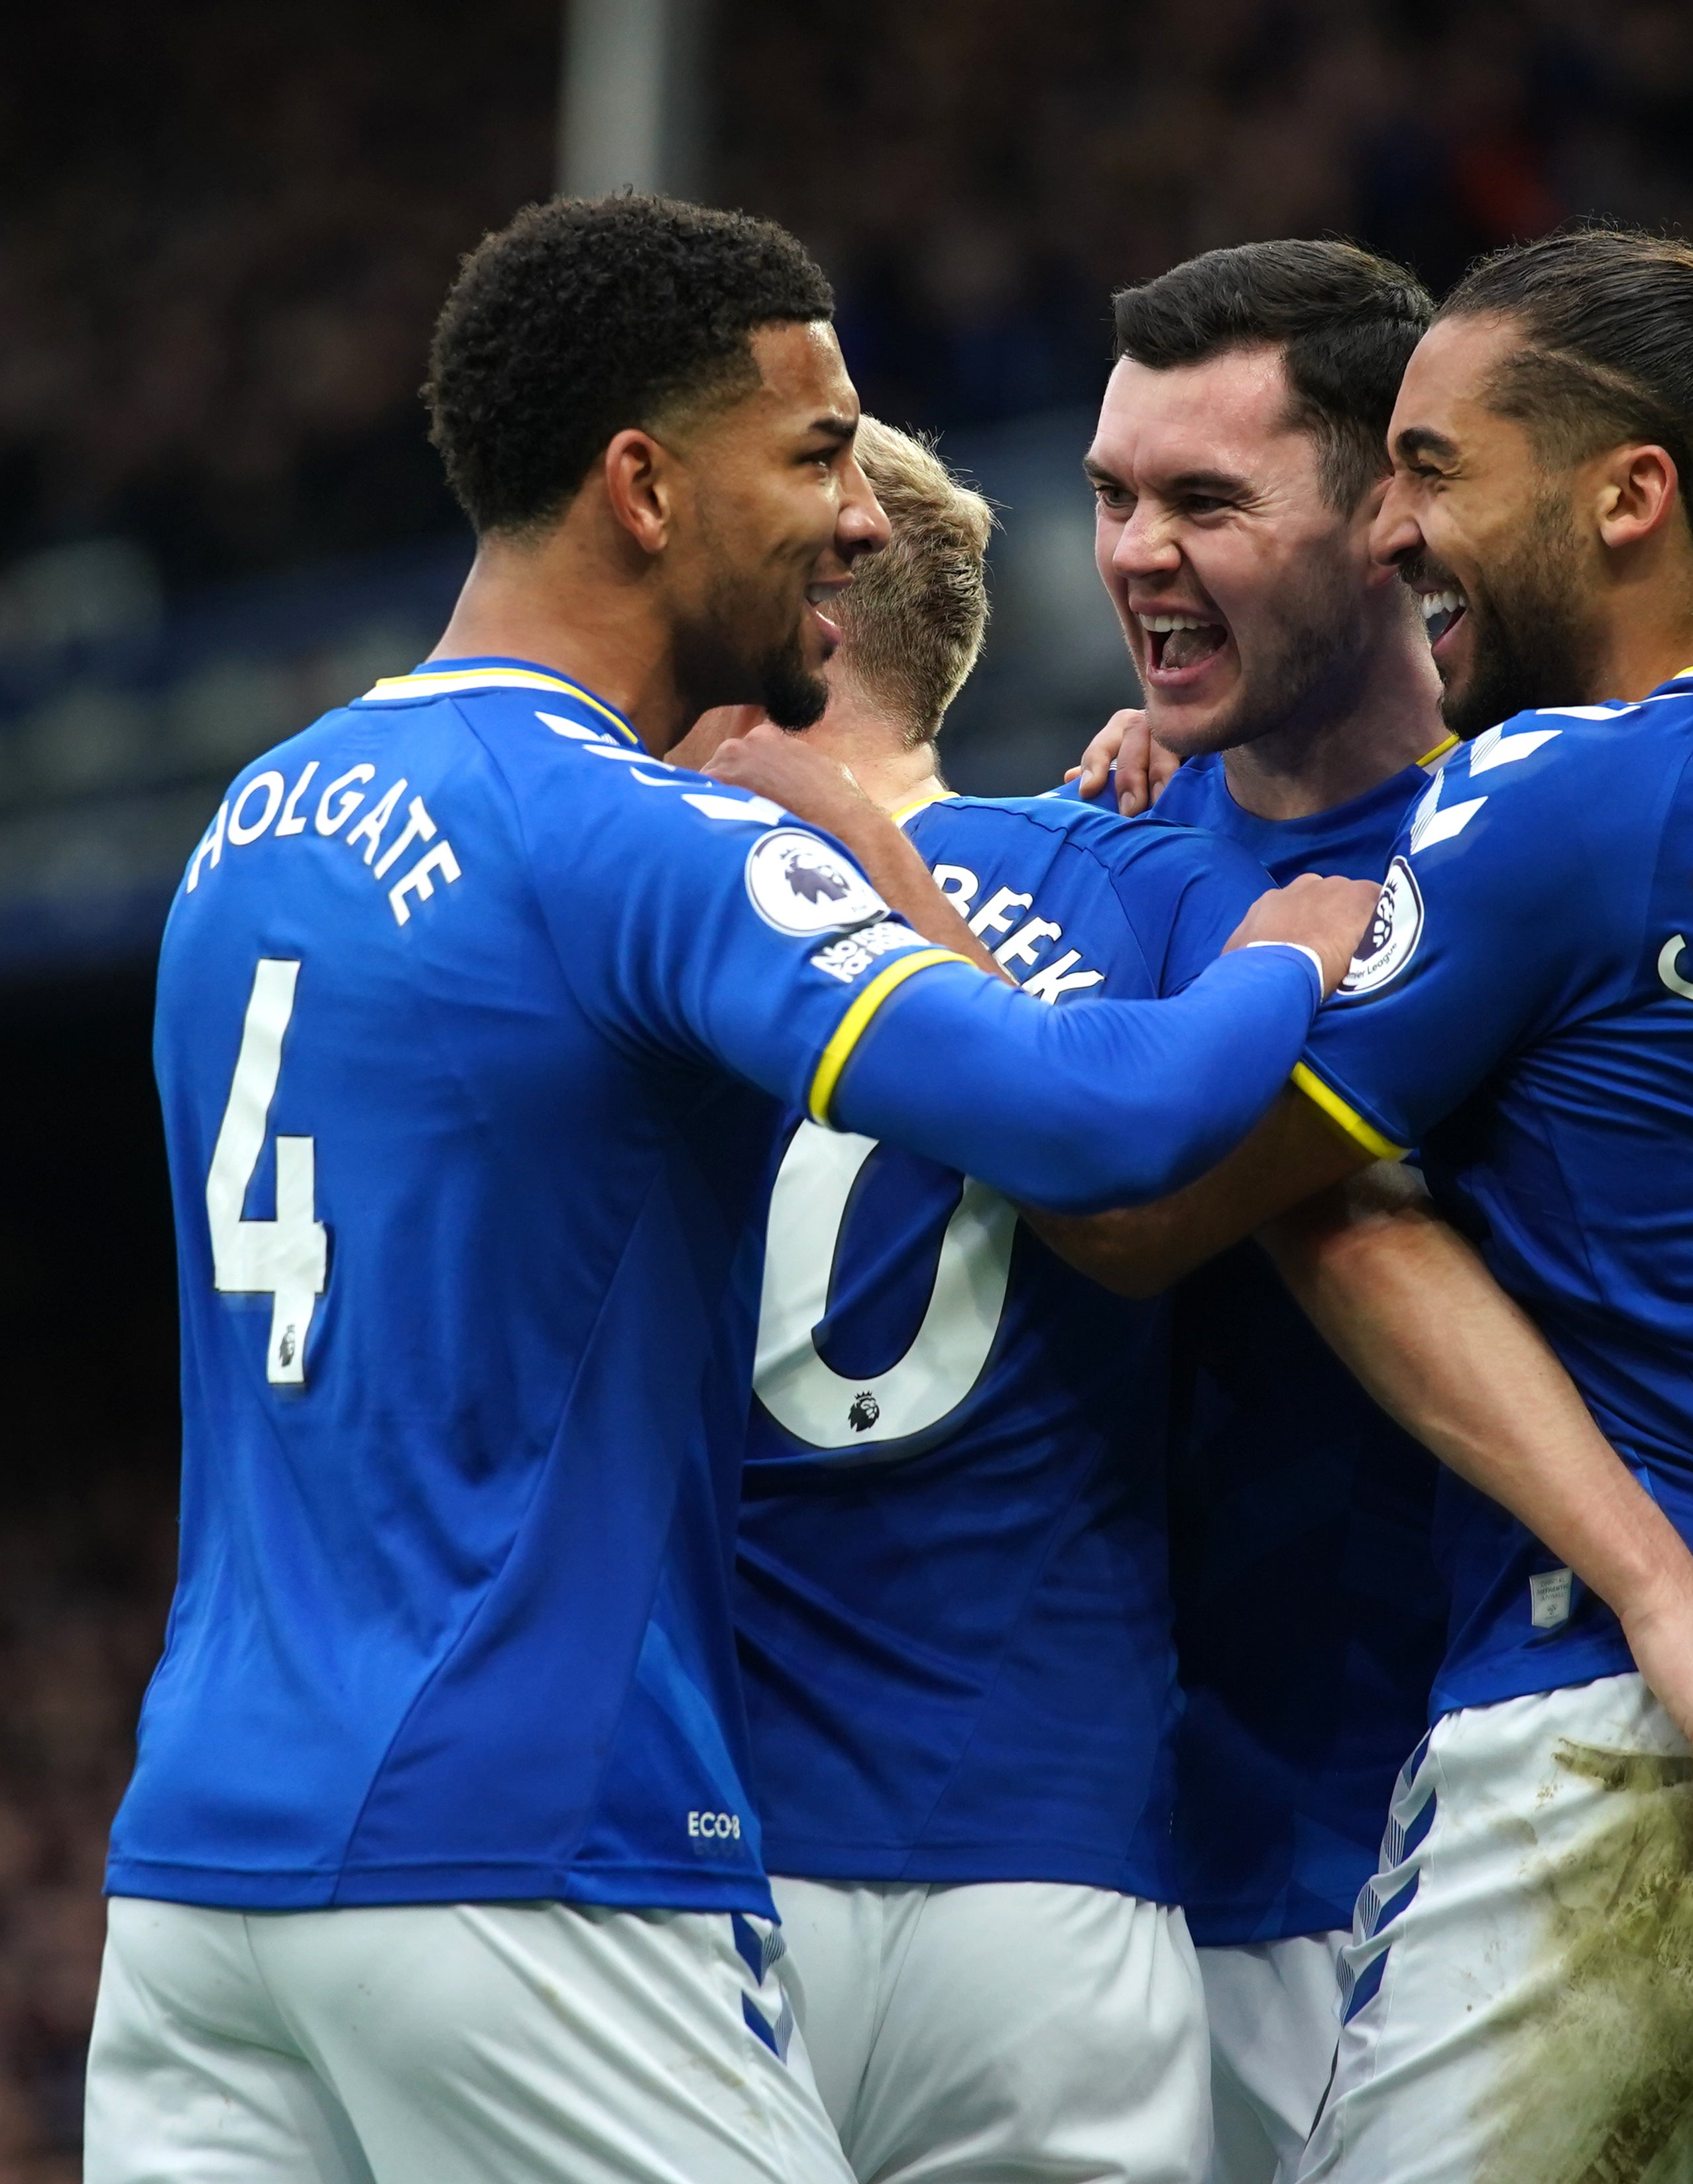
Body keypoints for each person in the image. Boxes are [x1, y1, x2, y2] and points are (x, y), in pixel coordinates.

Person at [82, 193, 1375, 2184]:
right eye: (816, 451)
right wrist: (1292, 944)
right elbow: (1090, 1123)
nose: (863, 516)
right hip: (526, 1852)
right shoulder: (639, 842)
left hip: (192, 1889)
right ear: (643, 486)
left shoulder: (249, 828)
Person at [1045, 218, 1693, 2182]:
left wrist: (970, 890)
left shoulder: (1545, 795)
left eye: (1436, 473)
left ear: (1631, 494)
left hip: (1637, 1756)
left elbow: (1198, 1203)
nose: (1395, 537)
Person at [671, 418, 1273, 2183]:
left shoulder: (638, 886)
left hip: (693, 1867)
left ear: (821, 606)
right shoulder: (1143, 862)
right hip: (1052, 1860)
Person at [1052, 238, 1458, 2183]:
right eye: (1115, 496)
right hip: (1096, 1893)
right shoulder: (1089, 849)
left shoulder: (1523, 861)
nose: (1138, 552)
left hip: (1414, 1864)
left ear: (1395, 506)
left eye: (1207, 499)